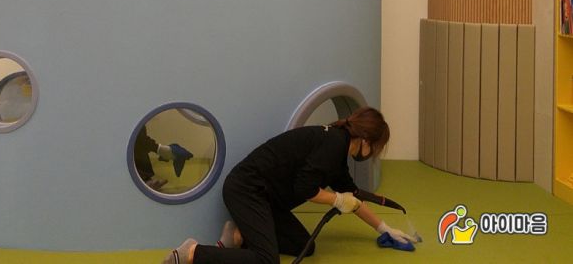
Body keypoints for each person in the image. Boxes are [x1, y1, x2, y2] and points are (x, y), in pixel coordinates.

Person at [162, 106, 416, 264]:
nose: (374, 153)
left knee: (305, 246)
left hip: (268, 201)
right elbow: (305, 188)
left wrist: (384, 228)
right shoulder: (333, 144)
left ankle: (237, 237)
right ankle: (192, 253)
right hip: (246, 189)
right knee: (267, 261)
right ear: (365, 140)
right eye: (377, 147)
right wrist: (338, 200)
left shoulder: (338, 153)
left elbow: (355, 198)